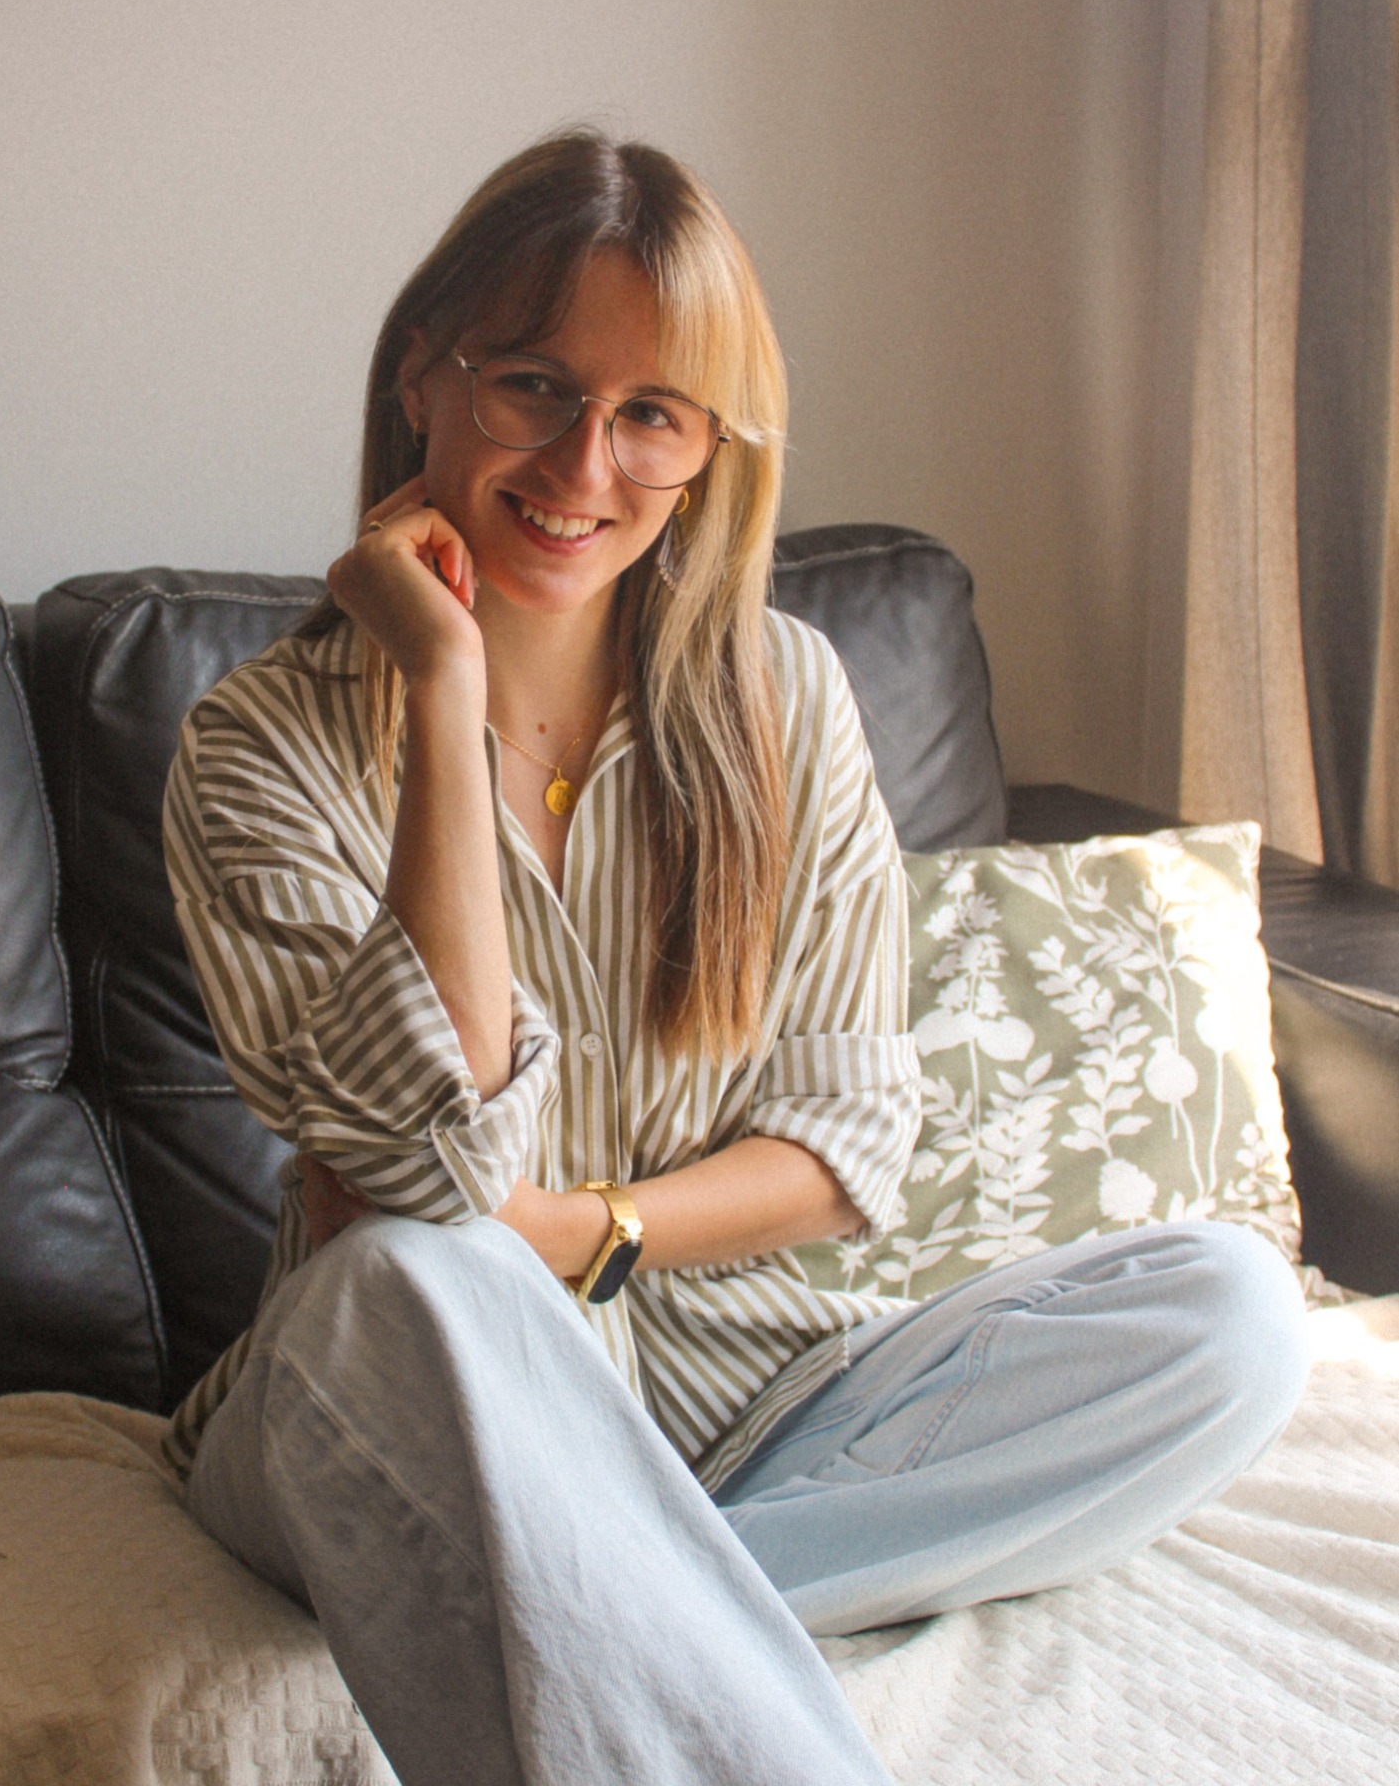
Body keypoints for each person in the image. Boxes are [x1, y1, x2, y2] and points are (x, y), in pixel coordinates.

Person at [159, 131, 1310, 1785]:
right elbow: (425, 1170)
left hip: (763, 1403)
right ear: (424, 375)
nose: (585, 463)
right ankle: (638, 1624)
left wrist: (570, 1232)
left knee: (1229, 1312)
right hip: (395, 1421)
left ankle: (608, 1606)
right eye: (533, 385)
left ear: (708, 449)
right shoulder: (256, 747)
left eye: (652, 412)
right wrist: (439, 689)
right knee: (408, 1279)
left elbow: (845, 1145)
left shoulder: (784, 696)